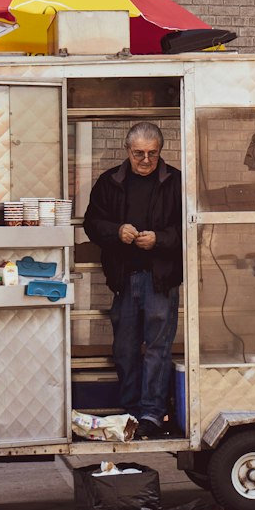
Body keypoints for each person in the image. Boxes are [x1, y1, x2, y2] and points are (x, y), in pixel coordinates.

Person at [83, 122, 183, 438]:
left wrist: (161, 240)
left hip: (161, 281)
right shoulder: (109, 181)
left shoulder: (176, 182)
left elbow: (192, 228)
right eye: (139, 153)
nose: (145, 160)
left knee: (157, 349)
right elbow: (91, 223)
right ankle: (130, 413)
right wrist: (116, 231)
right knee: (125, 349)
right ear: (127, 150)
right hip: (124, 281)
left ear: (160, 152)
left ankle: (152, 414)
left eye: (152, 154)